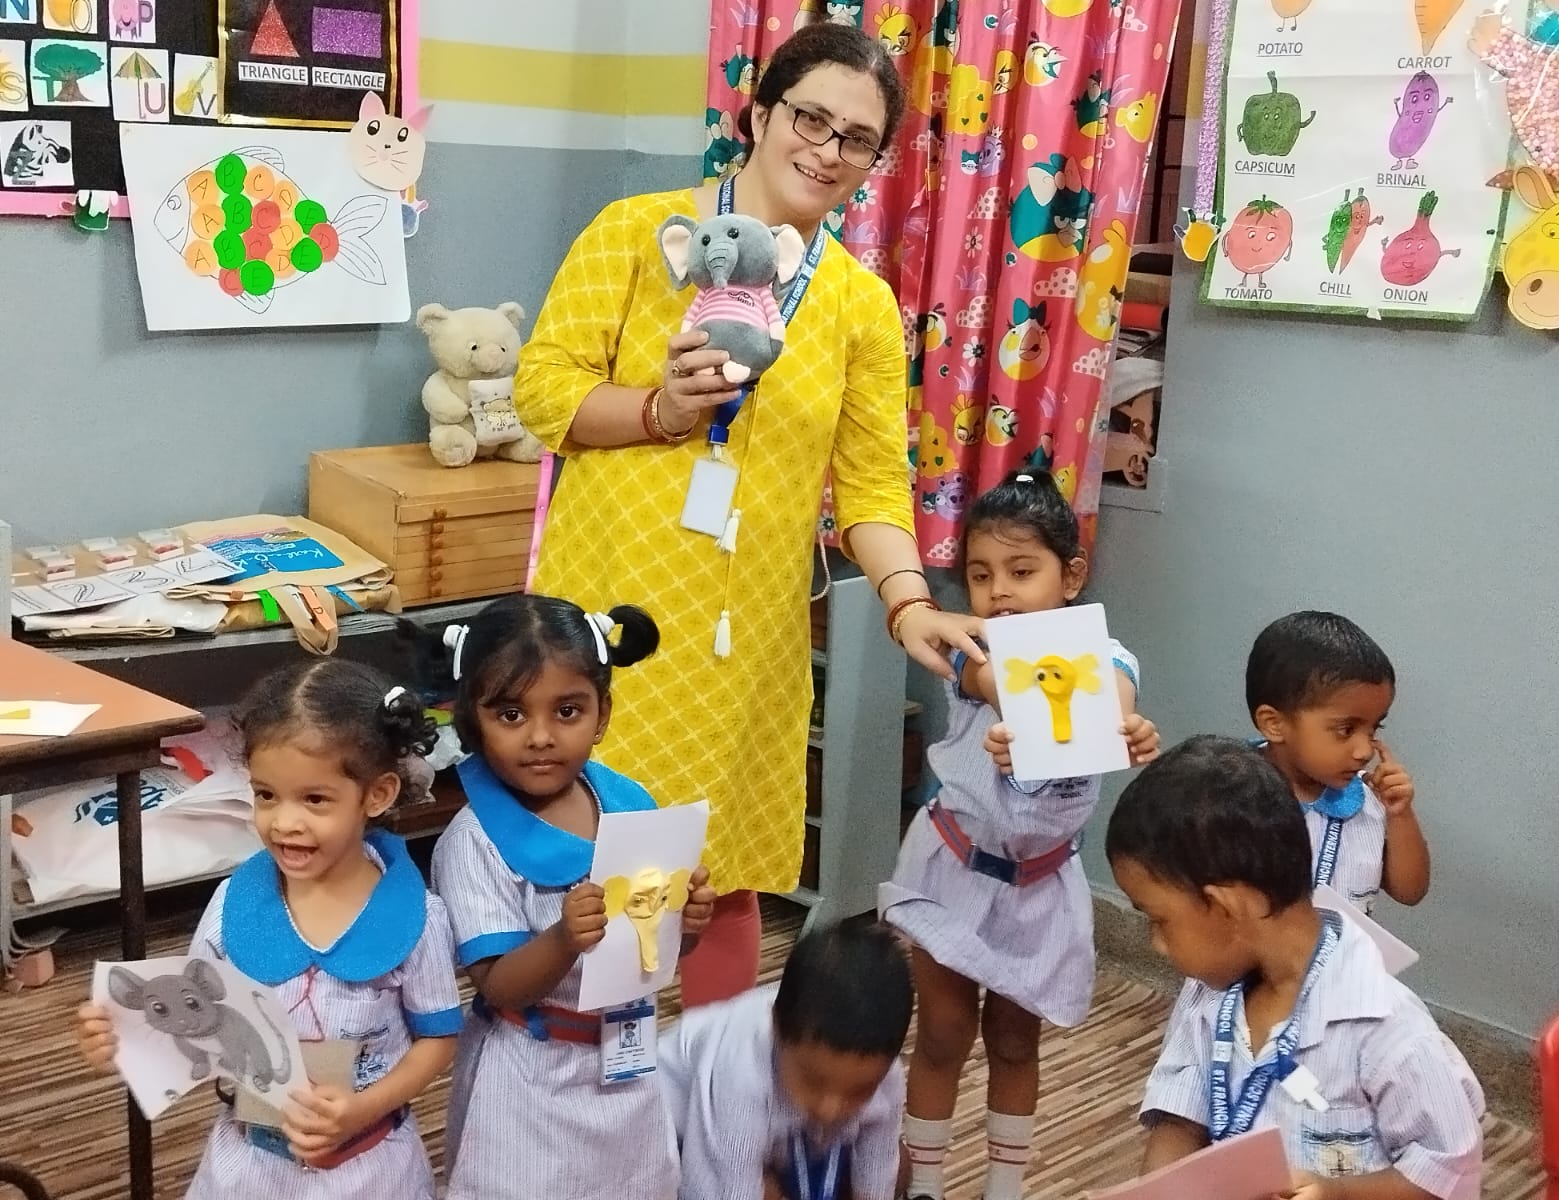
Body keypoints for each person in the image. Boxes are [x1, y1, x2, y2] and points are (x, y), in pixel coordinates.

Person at [512, 21, 986, 1007]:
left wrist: (908, 603)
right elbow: (544, 393)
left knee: (719, 875)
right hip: (615, 622)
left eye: (857, 139)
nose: (827, 150)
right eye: (810, 118)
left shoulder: (857, 304)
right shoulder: (638, 233)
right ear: (760, 113)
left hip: (746, 644)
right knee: (596, 873)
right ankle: (584, 1077)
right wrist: (660, 411)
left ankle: (709, 1082)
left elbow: (870, 483)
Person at [75, 662, 464, 1199]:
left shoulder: (417, 917)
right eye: (266, 795)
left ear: (376, 795)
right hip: (247, 1165)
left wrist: (362, 1108)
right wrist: (122, 1037)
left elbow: (438, 1039)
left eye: (315, 799)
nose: (284, 822)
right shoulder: (232, 906)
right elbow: (194, 1022)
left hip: (372, 1170)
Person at [879, 470, 1161, 1200]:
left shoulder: (1110, 660)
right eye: (980, 575)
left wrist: (1123, 726)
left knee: (1013, 1039)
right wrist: (1043, 716)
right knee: (942, 1034)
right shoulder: (971, 652)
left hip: (1039, 888)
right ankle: (924, 1187)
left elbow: (1112, 695)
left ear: (1072, 576)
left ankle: (1004, 1187)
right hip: (951, 868)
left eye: (1021, 571)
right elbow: (999, 684)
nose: (999, 591)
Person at [429, 593, 717, 1200]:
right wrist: (562, 939)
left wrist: (687, 925)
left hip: (626, 1060)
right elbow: (498, 985)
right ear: (470, 719)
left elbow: (652, 952)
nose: (541, 737)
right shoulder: (474, 842)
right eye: (511, 714)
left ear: (602, 713)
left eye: (567, 711)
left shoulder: (630, 804)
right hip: (528, 1077)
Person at [1108, 736, 1484, 1199]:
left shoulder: (1389, 1030)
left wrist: (1339, 1193)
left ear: (1225, 908)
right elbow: (1180, 1118)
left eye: (1159, 919)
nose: (1157, 944)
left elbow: (1449, 1173)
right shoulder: (1205, 997)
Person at [661, 920, 912, 1200]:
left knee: (899, 1165)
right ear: (776, 1028)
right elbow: (723, 1190)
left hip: (785, 1141)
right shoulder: (741, 1069)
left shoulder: (883, 1071)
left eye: (859, 1091)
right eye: (814, 1082)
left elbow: (878, 1173)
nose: (829, 1109)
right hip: (683, 1133)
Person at [1247, 611, 1429, 912]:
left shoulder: (1370, 800)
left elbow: (1410, 892)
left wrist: (1400, 815)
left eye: (1374, 729)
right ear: (1274, 724)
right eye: (1346, 730)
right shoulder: (1227, 797)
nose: (1364, 751)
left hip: (1342, 944)